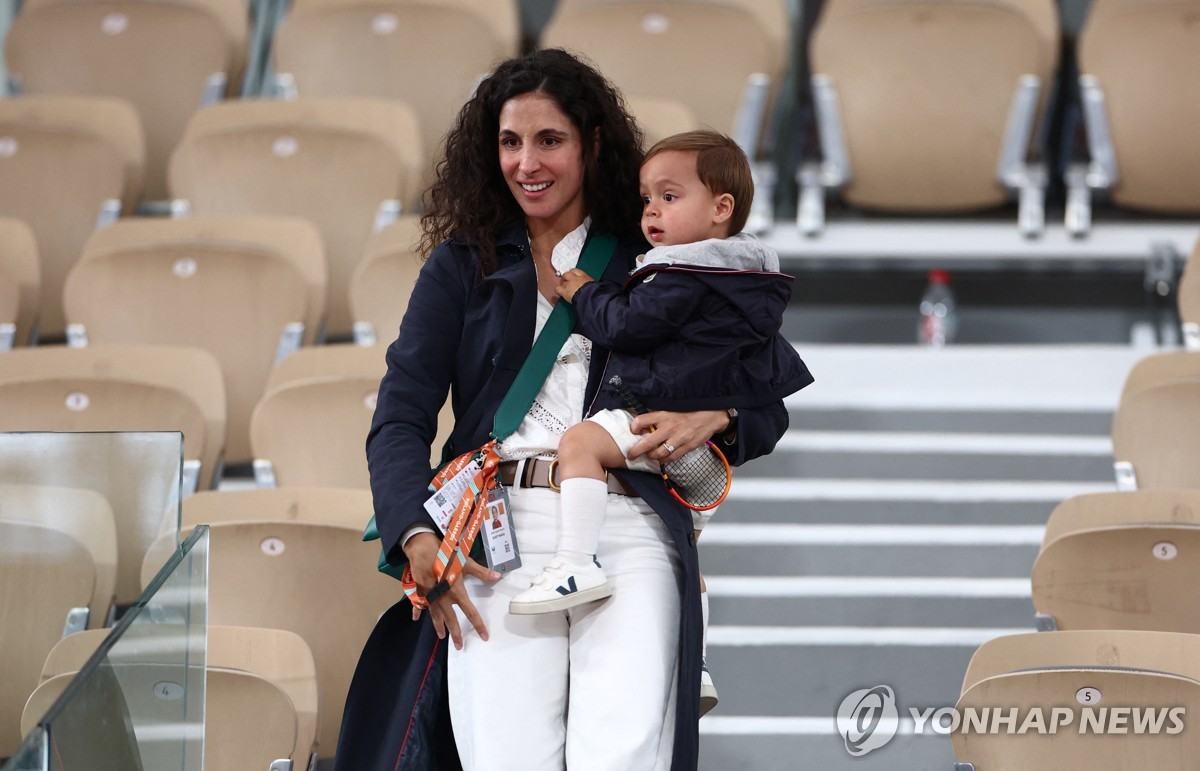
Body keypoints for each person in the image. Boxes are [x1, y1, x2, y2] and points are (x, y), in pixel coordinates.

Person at [333, 49, 791, 771]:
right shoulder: (462, 263)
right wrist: (415, 533)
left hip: (631, 527)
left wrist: (720, 417)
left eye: (550, 140)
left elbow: (765, 399)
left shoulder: (662, 252)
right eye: (511, 142)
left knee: (623, 759)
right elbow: (400, 414)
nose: (526, 162)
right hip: (497, 537)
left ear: (592, 144)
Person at [509, 130, 812, 618]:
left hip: (652, 423)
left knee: (579, 444)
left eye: (669, 197)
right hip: (701, 461)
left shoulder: (680, 273)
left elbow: (627, 324)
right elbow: (772, 374)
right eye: (647, 198)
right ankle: (700, 654)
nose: (651, 210)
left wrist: (586, 293)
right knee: (686, 557)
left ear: (720, 208)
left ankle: (574, 563)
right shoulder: (744, 284)